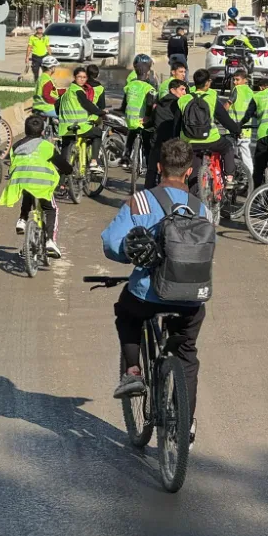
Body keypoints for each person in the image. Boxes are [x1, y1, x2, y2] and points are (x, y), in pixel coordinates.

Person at [101, 139, 208, 440]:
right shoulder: (202, 209)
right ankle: (184, 424)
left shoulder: (141, 201)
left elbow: (111, 244)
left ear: (158, 167)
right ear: (189, 172)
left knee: (126, 313)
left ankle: (133, 371)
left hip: (149, 292)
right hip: (191, 297)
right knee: (186, 351)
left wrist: (130, 254)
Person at [0, 115, 72, 258]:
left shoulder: (16, 146)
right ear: (43, 132)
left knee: (28, 191)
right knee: (51, 209)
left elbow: (13, 164)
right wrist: (68, 171)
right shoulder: (47, 146)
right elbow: (62, 164)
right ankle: (50, 241)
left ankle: (22, 219)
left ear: (25, 130)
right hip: (42, 183)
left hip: (20, 179)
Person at [176, 68, 241, 187]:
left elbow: (177, 123)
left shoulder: (183, 100)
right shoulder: (211, 98)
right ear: (207, 83)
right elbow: (224, 119)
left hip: (189, 141)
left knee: (194, 170)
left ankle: (195, 196)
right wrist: (236, 130)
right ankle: (229, 177)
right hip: (211, 139)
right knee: (227, 147)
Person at [57, 65, 107, 173]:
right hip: (79, 126)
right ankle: (94, 161)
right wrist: (100, 112)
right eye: (80, 77)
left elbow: (57, 105)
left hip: (65, 128)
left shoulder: (67, 92)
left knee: (65, 155)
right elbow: (87, 104)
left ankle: (62, 183)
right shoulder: (79, 91)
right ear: (75, 77)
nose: (82, 79)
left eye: (84, 77)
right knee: (97, 133)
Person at [144, 79, 189, 188]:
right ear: (172, 90)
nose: (185, 93)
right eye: (182, 89)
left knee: (151, 171)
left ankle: (148, 194)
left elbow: (152, 121)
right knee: (171, 174)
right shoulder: (179, 105)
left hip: (157, 142)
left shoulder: (160, 104)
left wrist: (145, 124)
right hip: (172, 144)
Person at [121, 54, 158, 168]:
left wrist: (123, 111)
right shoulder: (148, 86)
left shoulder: (130, 84)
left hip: (130, 118)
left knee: (131, 135)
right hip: (142, 119)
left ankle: (126, 157)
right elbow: (150, 103)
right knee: (147, 141)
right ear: (147, 73)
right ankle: (149, 164)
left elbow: (125, 101)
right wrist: (148, 116)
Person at [225, 69, 255, 181]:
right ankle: (250, 177)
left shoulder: (236, 89)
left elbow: (228, 104)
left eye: (237, 79)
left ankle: (230, 178)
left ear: (245, 80)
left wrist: (220, 115)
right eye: (234, 80)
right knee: (246, 154)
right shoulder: (251, 92)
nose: (235, 82)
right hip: (247, 129)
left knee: (230, 152)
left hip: (234, 127)